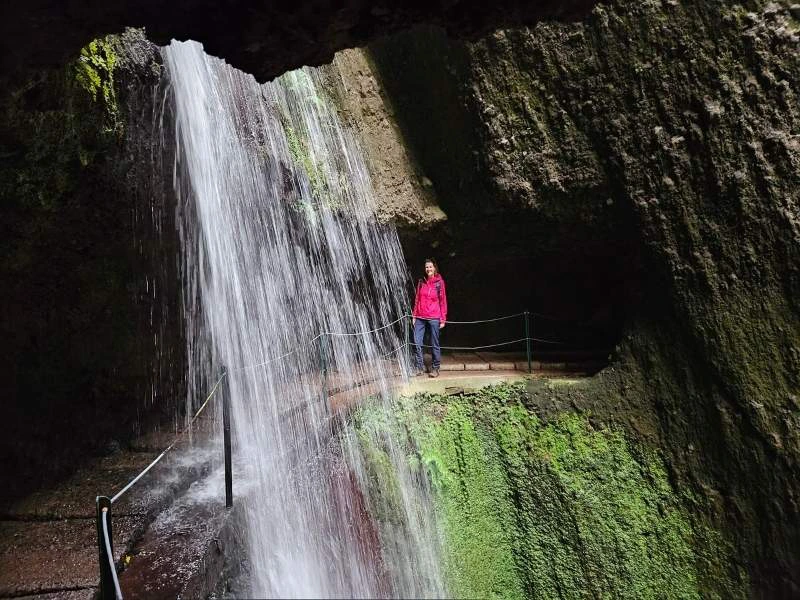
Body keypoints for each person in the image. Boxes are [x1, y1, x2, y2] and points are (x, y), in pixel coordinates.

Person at [411, 258, 447, 377]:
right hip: (420, 316)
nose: (428, 269)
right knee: (417, 342)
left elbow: (442, 301)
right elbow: (417, 298)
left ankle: (435, 368)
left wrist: (443, 318)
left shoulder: (439, 283)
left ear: (434, 268)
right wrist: (414, 315)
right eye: (426, 267)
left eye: (430, 267)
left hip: (434, 316)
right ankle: (419, 367)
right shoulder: (421, 281)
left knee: (434, 343)